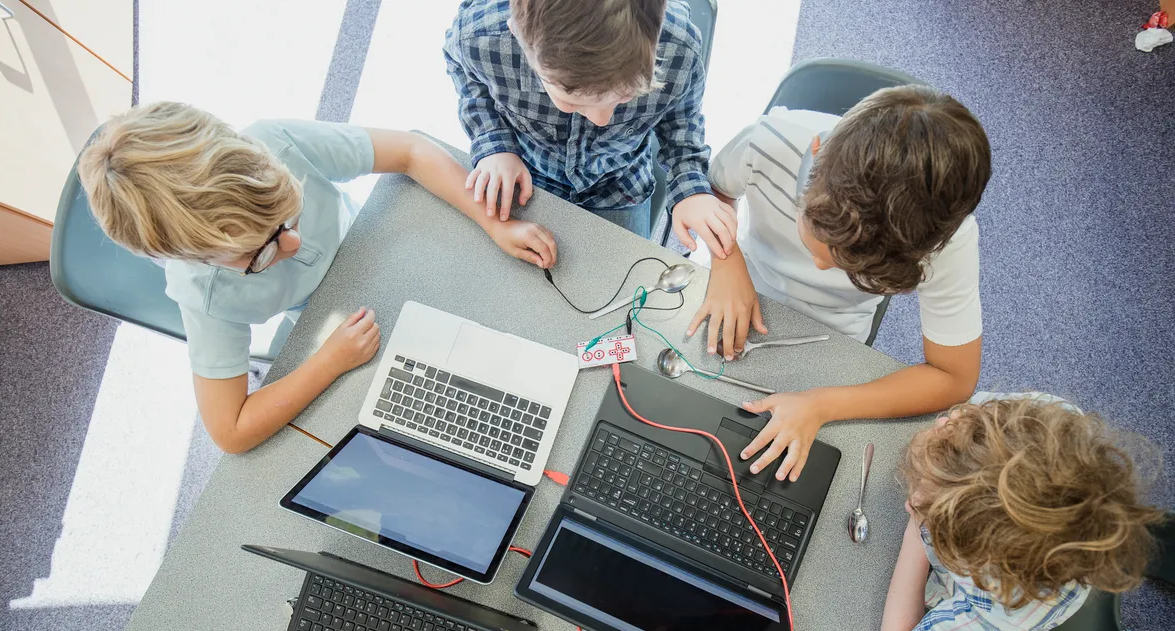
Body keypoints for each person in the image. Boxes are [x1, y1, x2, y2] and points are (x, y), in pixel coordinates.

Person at [78, 102, 556, 453]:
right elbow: (231, 431)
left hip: (381, 248)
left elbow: (410, 151)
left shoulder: (276, 141)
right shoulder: (204, 295)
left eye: (287, 216)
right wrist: (327, 362)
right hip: (332, 320)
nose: (293, 245)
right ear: (200, 260)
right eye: (259, 253)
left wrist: (495, 222)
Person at [693, 85, 992, 481]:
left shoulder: (946, 241)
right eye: (815, 244)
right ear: (813, 156)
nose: (817, 268)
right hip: (738, 282)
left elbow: (954, 377)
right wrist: (727, 260)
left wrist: (822, 405)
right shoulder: (769, 141)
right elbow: (711, 191)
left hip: (838, 335)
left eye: (844, 269)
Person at [878, 396, 1163, 631]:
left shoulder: (1006, 612)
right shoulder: (1045, 418)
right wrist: (951, 437)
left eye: (924, 493)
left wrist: (917, 530)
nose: (941, 423)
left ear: (972, 551)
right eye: (949, 426)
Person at [443, 0, 738, 254]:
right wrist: (494, 143)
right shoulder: (479, 37)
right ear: (518, 36)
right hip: (527, 173)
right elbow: (464, 71)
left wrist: (691, 190)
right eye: (570, 101)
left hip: (620, 185)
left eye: (625, 97)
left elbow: (682, 125)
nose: (602, 120)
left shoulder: (679, 49)